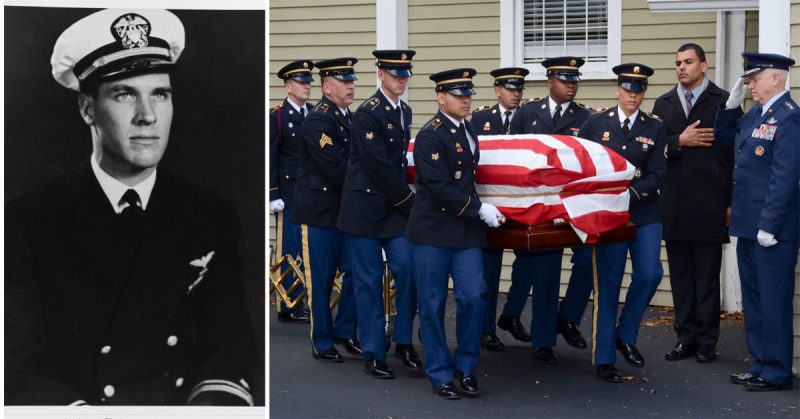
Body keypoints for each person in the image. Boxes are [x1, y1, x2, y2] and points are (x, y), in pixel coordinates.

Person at [5, 9, 258, 405]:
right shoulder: (25, 222)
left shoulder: (210, 215)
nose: (148, 116)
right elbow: (14, 368)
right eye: (125, 94)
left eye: (161, 93)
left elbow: (230, 352)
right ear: (88, 110)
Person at [407, 68, 504, 399]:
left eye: (468, 95)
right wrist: (479, 209)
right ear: (440, 97)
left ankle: (466, 367)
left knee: (473, 295)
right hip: (434, 230)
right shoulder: (430, 135)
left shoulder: (470, 130)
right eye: (459, 96)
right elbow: (439, 186)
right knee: (432, 303)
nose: (466, 101)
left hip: (464, 233)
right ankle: (439, 373)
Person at [577, 63, 667, 383]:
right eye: (628, 89)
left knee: (650, 273)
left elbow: (658, 174)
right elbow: (584, 166)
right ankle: (604, 359)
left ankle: (625, 333)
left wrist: (629, 194)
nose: (633, 95)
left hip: (643, 211)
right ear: (617, 90)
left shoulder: (655, 127)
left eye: (639, 90)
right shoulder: (595, 121)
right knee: (609, 283)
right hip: (608, 216)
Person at [715, 52, 799, 392]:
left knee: (773, 298)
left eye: (753, 79)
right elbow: (723, 137)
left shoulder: (790, 118)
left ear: (775, 79)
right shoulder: (754, 115)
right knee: (753, 297)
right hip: (749, 222)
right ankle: (761, 362)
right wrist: (731, 105)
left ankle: (778, 370)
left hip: (772, 228)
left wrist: (771, 223)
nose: (749, 85)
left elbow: (785, 175)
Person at [506, 57, 596, 363]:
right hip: (539, 205)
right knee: (545, 270)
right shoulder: (528, 113)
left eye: (574, 80)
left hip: (573, 202)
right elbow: (514, 158)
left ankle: (568, 316)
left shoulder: (586, 117)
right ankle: (542, 341)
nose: (571, 85)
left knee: (586, 258)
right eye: (564, 80)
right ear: (549, 82)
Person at [652, 43, 737, 363]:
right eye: (677, 63)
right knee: (682, 278)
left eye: (688, 62)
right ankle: (684, 338)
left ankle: (706, 343)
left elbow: (733, 156)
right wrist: (679, 142)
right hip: (674, 203)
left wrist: (730, 202)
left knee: (706, 278)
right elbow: (653, 149)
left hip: (710, 203)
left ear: (704, 65)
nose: (681, 67)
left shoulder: (725, 102)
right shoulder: (663, 104)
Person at [338, 49, 420, 379]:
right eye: (394, 74)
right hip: (365, 209)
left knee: (408, 268)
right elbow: (379, 167)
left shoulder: (406, 111)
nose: (401, 80)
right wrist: (409, 203)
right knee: (369, 282)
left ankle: (402, 340)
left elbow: (399, 162)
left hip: (392, 210)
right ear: (380, 75)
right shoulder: (367, 113)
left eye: (405, 75)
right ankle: (374, 352)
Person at [293, 57, 363, 362]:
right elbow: (335, 167)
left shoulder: (351, 117)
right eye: (343, 82)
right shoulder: (319, 119)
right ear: (326, 86)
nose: (350, 87)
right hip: (320, 212)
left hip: (347, 211)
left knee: (357, 272)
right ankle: (322, 340)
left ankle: (344, 330)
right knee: (320, 280)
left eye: (351, 81)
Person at [470, 66, 529, 352]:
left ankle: (512, 314)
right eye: (510, 88)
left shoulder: (531, 118)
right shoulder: (481, 118)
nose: (515, 93)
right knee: (489, 270)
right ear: (497, 90)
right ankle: (485, 329)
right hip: (489, 203)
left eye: (519, 89)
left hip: (521, 205)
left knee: (528, 261)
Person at [270, 60, 315, 323]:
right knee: (289, 249)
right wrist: (272, 194)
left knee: (307, 249)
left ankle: (302, 300)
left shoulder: (314, 113)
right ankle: (288, 304)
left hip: (311, 193)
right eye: (301, 82)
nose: (307, 86)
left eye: (309, 82)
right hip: (287, 194)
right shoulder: (277, 117)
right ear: (288, 87)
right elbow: (270, 157)